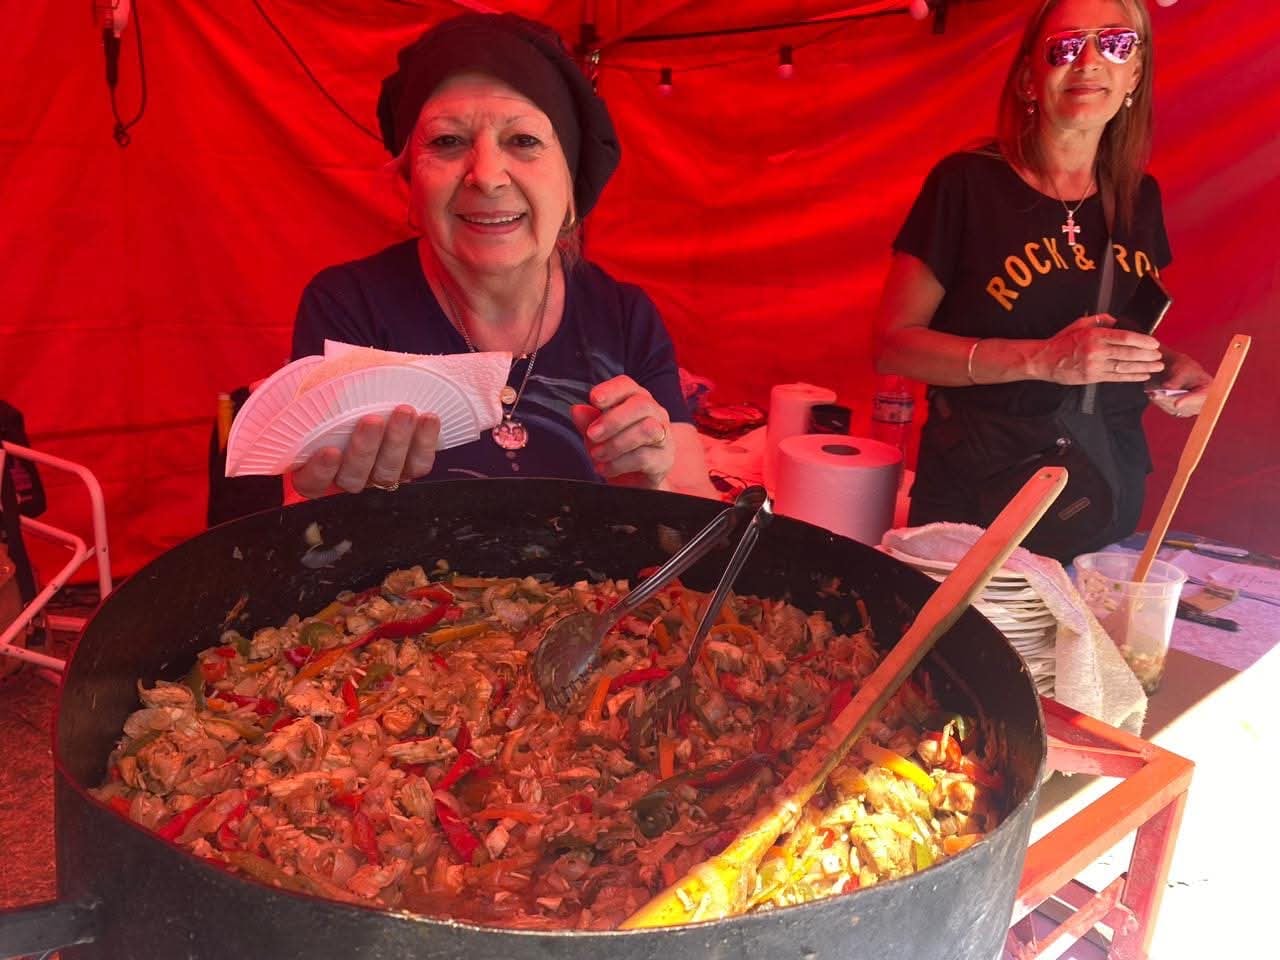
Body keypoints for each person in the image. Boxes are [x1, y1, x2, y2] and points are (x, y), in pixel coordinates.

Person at [287, 13, 713, 501]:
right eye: (447, 141)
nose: (487, 177)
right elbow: (303, 512)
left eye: (523, 141)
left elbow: (699, 509)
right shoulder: (349, 309)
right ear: (410, 183)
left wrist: (652, 489)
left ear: (572, 184)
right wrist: (338, 501)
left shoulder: (624, 318)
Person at [873, 0, 1211, 560]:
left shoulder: (1140, 196)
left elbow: (1117, 331)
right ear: (1029, 79)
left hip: (1101, 493)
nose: (1090, 61)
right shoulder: (966, 184)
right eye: (1065, 46)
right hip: (979, 507)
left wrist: (1166, 365)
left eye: (1115, 44)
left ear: (1135, 74)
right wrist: (1043, 360)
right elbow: (893, 345)